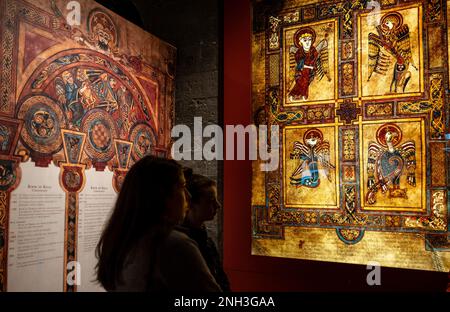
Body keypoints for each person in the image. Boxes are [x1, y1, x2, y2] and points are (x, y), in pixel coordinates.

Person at [95, 156, 222, 292]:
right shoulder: (173, 244)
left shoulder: (120, 239)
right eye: (182, 187)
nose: (188, 196)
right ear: (162, 195)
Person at [177, 168, 231, 292]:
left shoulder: (206, 240)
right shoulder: (182, 244)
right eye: (210, 201)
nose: (218, 205)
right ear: (190, 203)